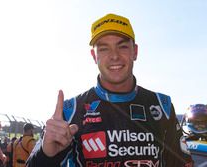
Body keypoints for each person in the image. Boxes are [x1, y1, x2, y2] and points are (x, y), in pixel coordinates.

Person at [27, 13, 193, 167]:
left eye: (122, 47)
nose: (114, 56)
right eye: (104, 48)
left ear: (135, 52)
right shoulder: (70, 111)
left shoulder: (162, 106)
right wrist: (46, 155)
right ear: (94, 56)